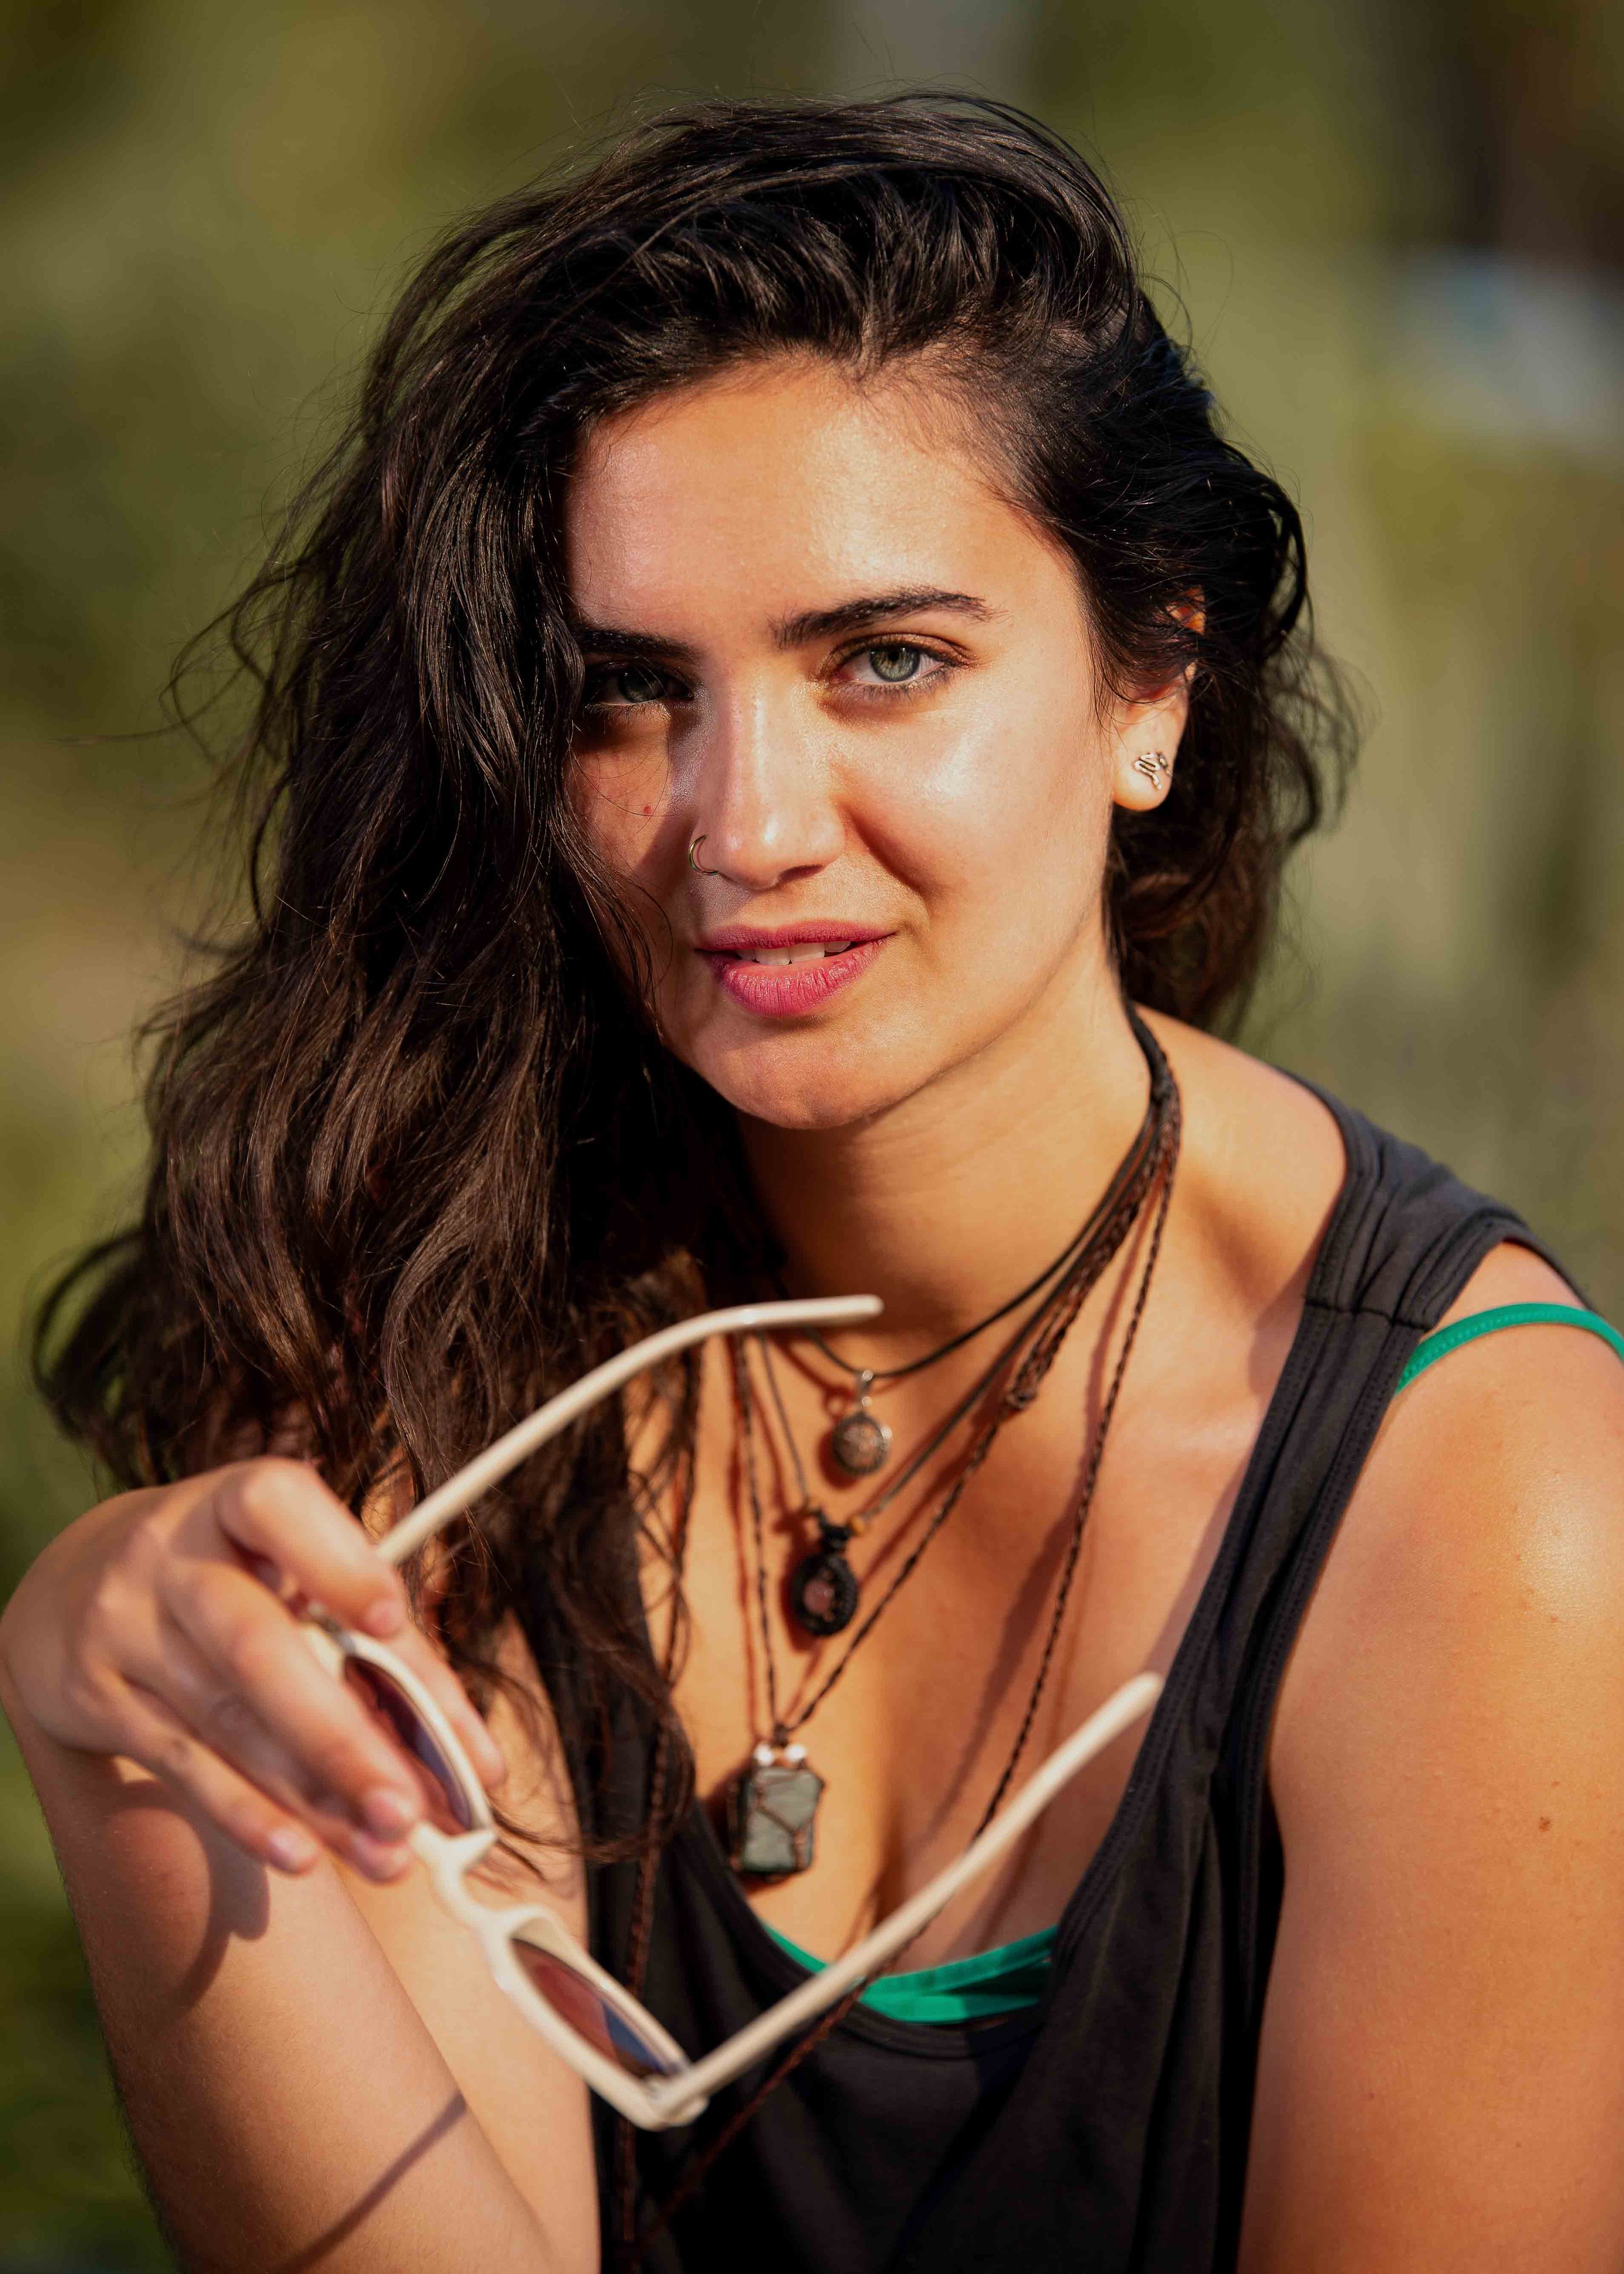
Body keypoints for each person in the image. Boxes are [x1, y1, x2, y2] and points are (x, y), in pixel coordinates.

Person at [4, 92, 1624, 2274]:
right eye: (626, 693)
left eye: (885, 661)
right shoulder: (466, 1329)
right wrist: (109, 1728)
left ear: (1150, 684)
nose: (740, 818)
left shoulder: (1490, 1508)